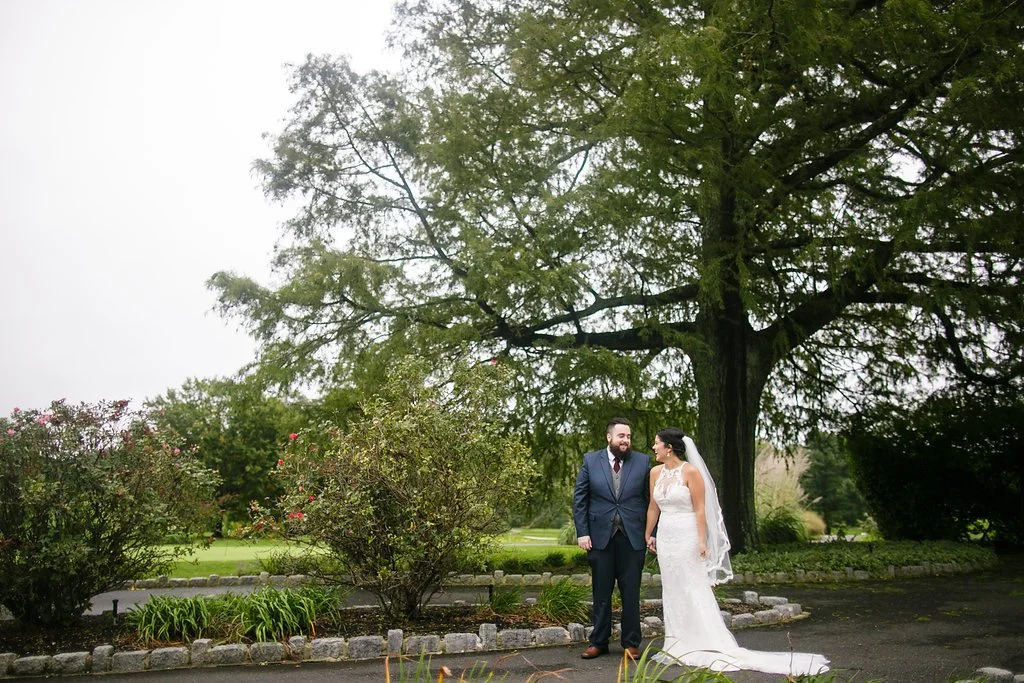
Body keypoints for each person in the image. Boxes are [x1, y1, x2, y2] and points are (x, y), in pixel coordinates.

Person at [645, 427, 830, 675]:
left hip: (688, 535)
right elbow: (653, 508)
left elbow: (700, 509)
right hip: (667, 535)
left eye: (656, 443)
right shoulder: (655, 472)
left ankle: (707, 641)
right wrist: (649, 533)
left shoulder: (690, 472)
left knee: (692, 586)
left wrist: (702, 541)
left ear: (669, 447)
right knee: (672, 588)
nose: (653, 447)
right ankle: (677, 642)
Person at [573, 417, 651, 660]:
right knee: (601, 592)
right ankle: (599, 642)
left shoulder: (642, 462)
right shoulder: (590, 460)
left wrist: (652, 534)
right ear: (609, 438)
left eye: (628, 436)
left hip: (632, 539)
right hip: (599, 539)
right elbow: (580, 499)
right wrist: (582, 532)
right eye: (621, 436)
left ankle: (631, 643)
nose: (626, 440)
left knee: (631, 593)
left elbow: (651, 502)